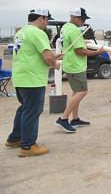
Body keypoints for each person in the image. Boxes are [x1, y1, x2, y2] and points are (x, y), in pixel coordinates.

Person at [5, 8, 63, 157]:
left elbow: (31, 54)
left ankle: (15, 138)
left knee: (24, 108)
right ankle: (28, 146)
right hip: (32, 80)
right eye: (47, 20)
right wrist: (54, 63)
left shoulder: (21, 32)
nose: (47, 23)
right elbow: (47, 57)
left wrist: (53, 56)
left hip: (21, 77)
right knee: (32, 111)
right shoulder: (38, 33)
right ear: (42, 18)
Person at [55, 7, 104, 133]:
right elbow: (79, 51)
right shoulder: (75, 31)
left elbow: (74, 44)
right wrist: (97, 52)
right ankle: (63, 118)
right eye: (82, 19)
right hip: (76, 66)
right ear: (75, 18)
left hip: (69, 64)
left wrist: (83, 41)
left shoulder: (65, 27)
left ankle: (75, 119)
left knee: (76, 92)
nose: (83, 22)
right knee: (82, 91)